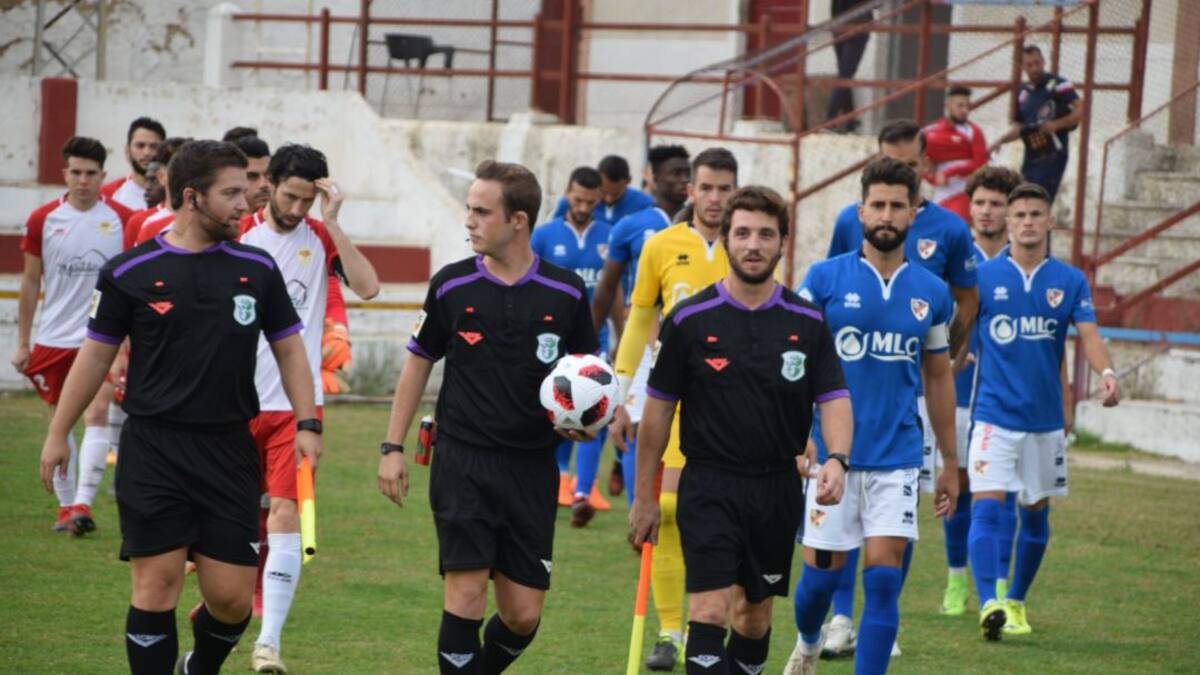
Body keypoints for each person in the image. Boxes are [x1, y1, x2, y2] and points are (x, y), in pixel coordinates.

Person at [38, 139, 322, 674]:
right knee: (156, 586)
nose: (245, 203)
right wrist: (58, 432)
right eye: (231, 193)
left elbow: (290, 349)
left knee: (232, 600)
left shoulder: (256, 268)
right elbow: (94, 357)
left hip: (229, 449)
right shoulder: (130, 271)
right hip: (154, 448)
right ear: (192, 197)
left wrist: (308, 422)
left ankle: (198, 666)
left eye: (245, 190)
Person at [377, 160, 598, 674]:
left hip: (533, 468)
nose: (469, 220)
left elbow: (588, 375)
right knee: (467, 594)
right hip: (463, 461)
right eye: (469, 209)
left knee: (522, 615)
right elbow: (417, 363)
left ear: (518, 220)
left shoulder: (566, 292)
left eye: (481, 211)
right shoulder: (452, 285)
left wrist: (584, 420)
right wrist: (392, 447)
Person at [629, 185, 852, 675]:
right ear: (727, 238)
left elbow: (834, 396)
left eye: (765, 234)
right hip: (708, 483)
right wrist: (645, 495)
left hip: (776, 486)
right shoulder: (689, 319)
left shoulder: (808, 321)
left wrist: (837, 457)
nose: (754, 244)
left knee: (752, 619)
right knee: (709, 612)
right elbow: (658, 414)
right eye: (743, 233)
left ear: (783, 242)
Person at [785, 157, 959, 675]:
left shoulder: (932, 292)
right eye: (877, 205)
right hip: (830, 456)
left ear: (914, 212)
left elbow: (938, 378)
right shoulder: (823, 280)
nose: (886, 215)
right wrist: (798, 435)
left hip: (898, 454)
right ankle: (809, 642)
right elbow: (793, 364)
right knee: (820, 581)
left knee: (883, 579)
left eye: (897, 206)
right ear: (860, 212)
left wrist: (951, 461)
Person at [820, 120, 978, 657]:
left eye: (908, 167)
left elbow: (963, 304)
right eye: (878, 203)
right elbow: (826, 306)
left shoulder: (946, 240)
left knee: (889, 547)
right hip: (838, 423)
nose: (886, 214)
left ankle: (875, 624)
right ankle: (830, 625)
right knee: (829, 554)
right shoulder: (842, 239)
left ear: (923, 173)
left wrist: (950, 353)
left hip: (903, 421)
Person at [239, 143, 380, 672]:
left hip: (296, 410)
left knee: (285, 513)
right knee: (230, 520)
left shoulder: (320, 237)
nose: (297, 209)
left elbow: (368, 287)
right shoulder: (238, 236)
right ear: (270, 184)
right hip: (232, 404)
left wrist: (333, 221)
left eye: (307, 200)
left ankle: (268, 642)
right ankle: (224, 610)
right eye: (290, 197)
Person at [967, 182, 1120, 640]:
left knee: (1035, 514)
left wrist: (1107, 372)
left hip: (1044, 421)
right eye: (1020, 215)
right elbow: (958, 332)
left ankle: (1016, 601)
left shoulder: (1069, 281)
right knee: (985, 507)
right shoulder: (982, 278)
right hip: (993, 415)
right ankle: (988, 602)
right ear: (1008, 222)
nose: (1028, 222)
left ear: (1050, 221)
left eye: (1036, 214)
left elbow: (1088, 334)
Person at [611, 147, 738, 670]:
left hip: (734, 405)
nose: (714, 198)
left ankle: (705, 622)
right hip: (675, 399)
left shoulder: (748, 246)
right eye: (706, 187)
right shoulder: (661, 246)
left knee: (720, 519)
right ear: (691, 190)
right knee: (664, 509)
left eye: (724, 189)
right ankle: (669, 632)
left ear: (735, 192)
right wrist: (620, 392)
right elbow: (640, 318)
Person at [14, 136, 134, 534]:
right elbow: (31, 281)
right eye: (76, 172)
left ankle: (83, 504)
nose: (83, 180)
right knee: (59, 424)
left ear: (103, 175)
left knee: (96, 413)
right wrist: (23, 342)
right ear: (65, 173)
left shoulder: (122, 219)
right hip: (54, 338)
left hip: (103, 337)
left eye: (91, 173)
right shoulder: (43, 219)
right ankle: (66, 509)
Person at [940, 166, 1025, 617]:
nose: (987, 211)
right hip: (956, 391)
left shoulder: (1022, 260)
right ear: (969, 207)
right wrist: (952, 351)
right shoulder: (958, 258)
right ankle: (956, 579)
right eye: (980, 203)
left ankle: (999, 586)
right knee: (959, 484)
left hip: (1004, 396)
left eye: (996, 203)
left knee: (1003, 490)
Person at [591, 145, 690, 507]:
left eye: (687, 173)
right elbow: (606, 288)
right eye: (675, 173)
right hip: (645, 337)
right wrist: (588, 339)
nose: (683, 180)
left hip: (690, 340)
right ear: (652, 176)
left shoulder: (701, 227)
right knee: (637, 425)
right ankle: (641, 508)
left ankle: (677, 506)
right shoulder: (631, 226)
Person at [532, 166, 613, 525]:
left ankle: (583, 490)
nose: (582, 207)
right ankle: (559, 477)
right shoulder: (544, 235)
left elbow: (615, 291)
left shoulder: (609, 235)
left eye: (590, 202)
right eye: (578, 199)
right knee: (560, 408)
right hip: (556, 341)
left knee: (597, 409)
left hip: (596, 340)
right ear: (567, 193)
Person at [996, 46, 1083, 202]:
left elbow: (1082, 109)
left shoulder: (1058, 84)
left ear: (1043, 61)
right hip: (1032, 153)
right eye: (1029, 64)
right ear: (1022, 67)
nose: (1035, 68)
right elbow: (1020, 127)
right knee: (1024, 198)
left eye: (1037, 63)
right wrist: (1000, 141)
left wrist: (1057, 124)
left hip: (1053, 154)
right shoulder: (1023, 92)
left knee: (1039, 200)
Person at [923, 85, 989, 223]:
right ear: (948, 105)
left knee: (956, 225)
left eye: (967, 106)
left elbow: (980, 163)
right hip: (941, 193)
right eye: (960, 106)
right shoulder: (930, 132)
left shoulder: (973, 131)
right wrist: (931, 177)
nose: (965, 110)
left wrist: (948, 173)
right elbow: (920, 161)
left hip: (963, 192)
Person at [551, 154, 654, 225]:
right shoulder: (570, 202)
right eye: (604, 192)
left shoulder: (645, 204)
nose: (609, 199)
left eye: (616, 194)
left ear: (629, 181)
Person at [127, 137, 190, 248]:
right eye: (177, 168)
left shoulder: (210, 221)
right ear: (161, 176)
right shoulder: (142, 223)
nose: (186, 174)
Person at [826, 0, 873, 131]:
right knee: (845, 74)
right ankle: (832, 119)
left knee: (844, 73)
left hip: (841, 25)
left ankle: (846, 120)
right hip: (854, 26)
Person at [101, 117, 167, 212]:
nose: (147, 152)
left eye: (154, 146)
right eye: (140, 146)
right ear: (127, 150)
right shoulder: (107, 195)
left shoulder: (175, 196)